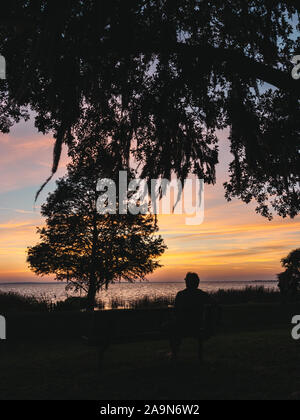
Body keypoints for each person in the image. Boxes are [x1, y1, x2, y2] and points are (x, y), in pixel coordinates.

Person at [168, 272, 216, 361]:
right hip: (197, 327)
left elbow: (175, 312)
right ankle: (174, 353)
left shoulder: (181, 295)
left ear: (187, 282)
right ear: (197, 283)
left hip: (182, 327)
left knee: (171, 327)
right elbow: (214, 303)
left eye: (186, 280)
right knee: (174, 326)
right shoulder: (202, 295)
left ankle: (174, 353)